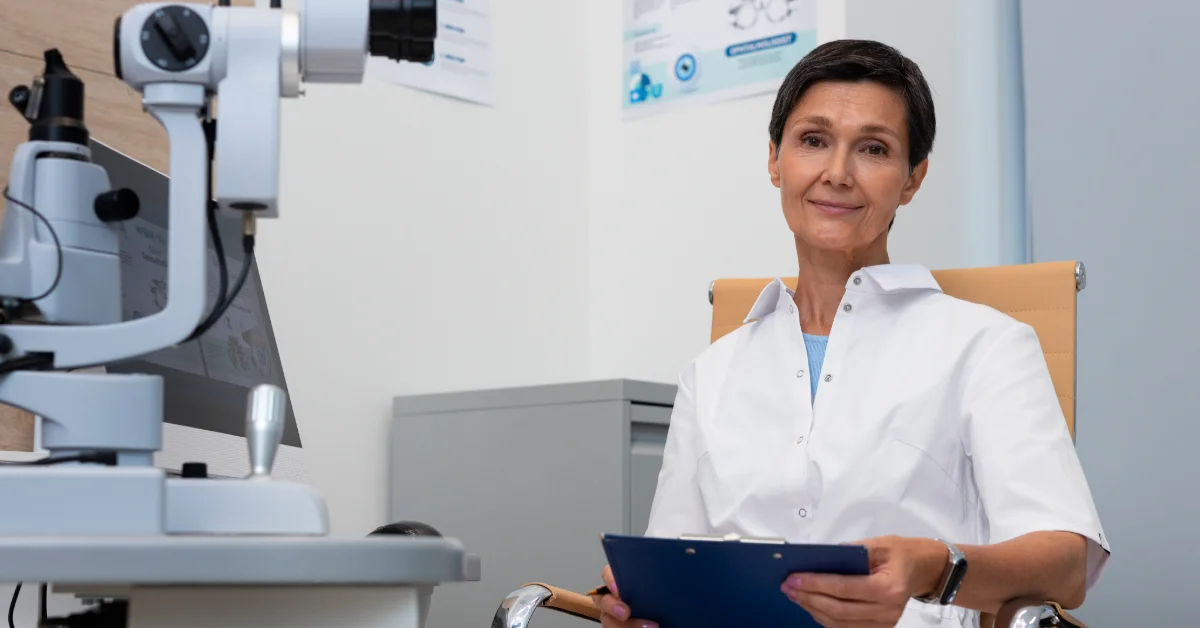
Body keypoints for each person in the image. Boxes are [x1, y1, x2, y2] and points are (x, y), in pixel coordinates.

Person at [592, 39, 1109, 628]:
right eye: (813, 140)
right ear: (775, 160)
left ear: (912, 180)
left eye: (873, 149)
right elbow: (675, 563)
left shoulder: (986, 346)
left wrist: (933, 568)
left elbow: (1068, 565)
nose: (836, 174)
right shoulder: (710, 373)